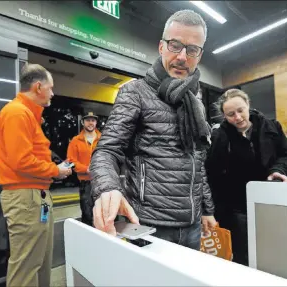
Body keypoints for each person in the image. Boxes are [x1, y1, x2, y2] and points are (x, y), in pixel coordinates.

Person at [90, 9, 216, 250]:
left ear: (199, 55)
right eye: (175, 45)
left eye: (192, 50)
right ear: (161, 47)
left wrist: (207, 210)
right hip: (149, 226)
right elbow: (107, 151)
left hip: (192, 226)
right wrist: (108, 188)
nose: (182, 56)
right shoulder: (135, 92)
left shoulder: (195, 103)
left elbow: (197, 162)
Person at [0, 63, 72, 286]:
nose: (53, 93)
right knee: (26, 266)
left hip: (35, 196)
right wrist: (55, 170)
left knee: (39, 262)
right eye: (51, 87)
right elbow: (21, 161)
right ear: (38, 87)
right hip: (25, 198)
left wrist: (53, 170)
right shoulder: (17, 113)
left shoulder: (28, 115)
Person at [205, 89, 287, 266]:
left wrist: (279, 169)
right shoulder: (221, 135)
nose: (237, 117)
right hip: (236, 205)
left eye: (241, 110)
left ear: (248, 106)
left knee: (271, 248)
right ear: (224, 115)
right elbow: (212, 172)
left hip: (268, 199)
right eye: (230, 114)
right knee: (242, 252)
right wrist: (210, 209)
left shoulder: (271, 127)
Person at [67, 112, 101, 226]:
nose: (90, 123)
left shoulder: (103, 140)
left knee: (103, 214)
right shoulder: (75, 141)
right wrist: (86, 169)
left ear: (96, 122)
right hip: (85, 183)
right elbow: (70, 162)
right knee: (87, 215)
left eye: (93, 120)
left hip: (102, 181)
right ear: (83, 122)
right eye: (88, 120)